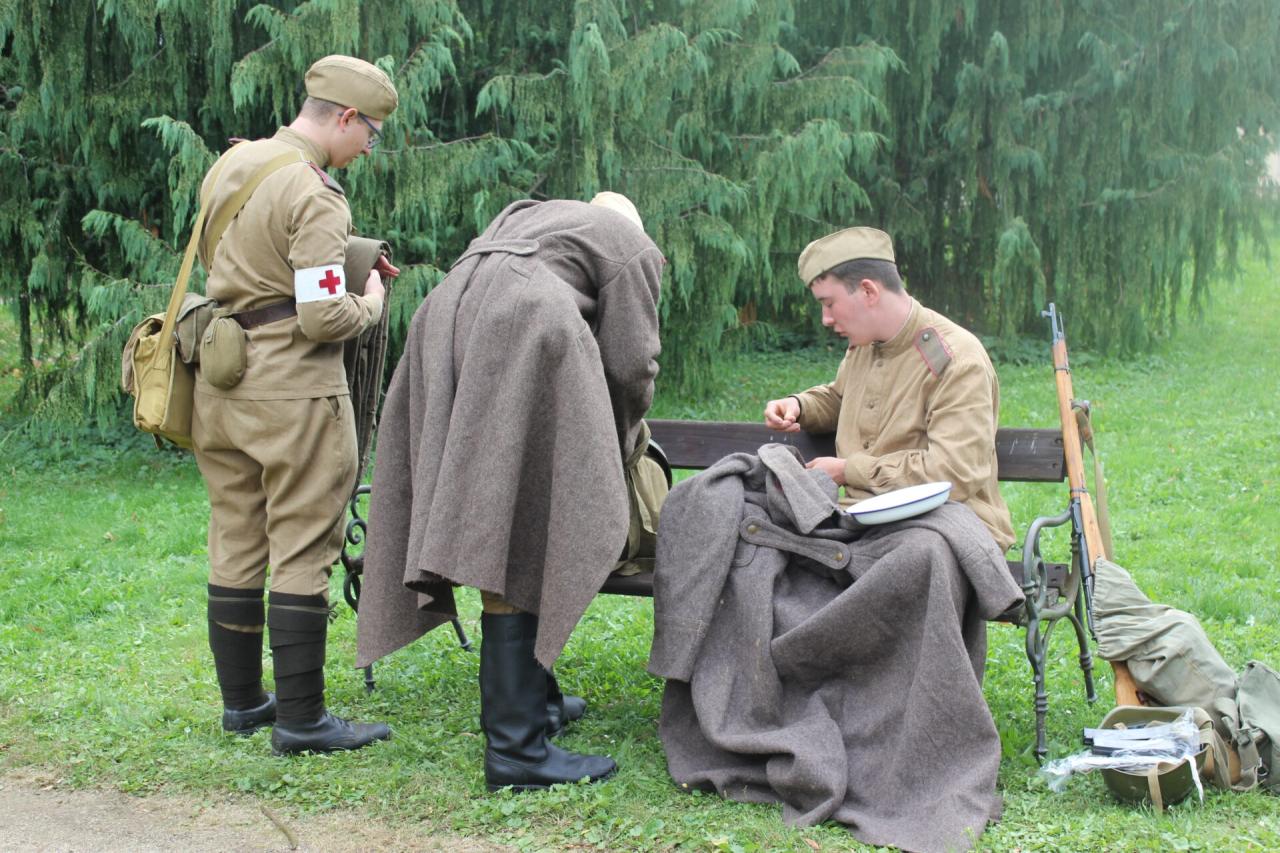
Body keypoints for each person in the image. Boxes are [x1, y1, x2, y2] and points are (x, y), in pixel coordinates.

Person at [355, 192, 663, 791]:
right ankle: (516, 749)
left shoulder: (535, 219)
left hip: (447, 318)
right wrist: (618, 442)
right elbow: (632, 365)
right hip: (521, 322)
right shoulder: (632, 243)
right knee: (521, 523)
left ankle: (536, 704)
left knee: (505, 516)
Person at [192, 55, 397, 755]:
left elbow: (254, 258)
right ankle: (304, 720)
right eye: (370, 133)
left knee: (236, 537)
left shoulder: (237, 162)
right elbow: (322, 315)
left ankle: (244, 703)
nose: (369, 148)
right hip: (294, 392)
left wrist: (350, 254)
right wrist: (371, 302)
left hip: (221, 381)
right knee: (306, 542)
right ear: (346, 117)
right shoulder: (317, 193)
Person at [763, 226, 1015, 551]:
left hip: (944, 528)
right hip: (861, 523)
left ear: (868, 291)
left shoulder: (956, 360)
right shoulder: (866, 344)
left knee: (910, 557)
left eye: (829, 303)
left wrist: (849, 471)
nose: (825, 318)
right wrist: (800, 405)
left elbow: (953, 473)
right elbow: (842, 397)